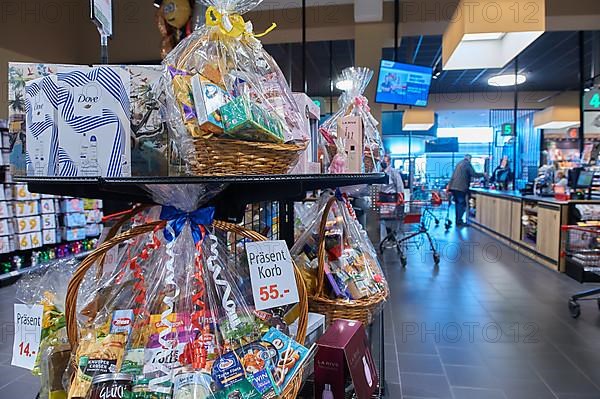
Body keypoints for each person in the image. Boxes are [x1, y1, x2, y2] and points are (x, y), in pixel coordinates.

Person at [447, 154, 485, 226]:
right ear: (469, 159)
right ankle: (459, 221)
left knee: (458, 204)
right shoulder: (467, 164)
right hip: (460, 188)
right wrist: (483, 174)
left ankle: (458, 221)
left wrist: (449, 186)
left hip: (454, 187)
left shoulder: (459, 163)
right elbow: (474, 174)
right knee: (462, 204)